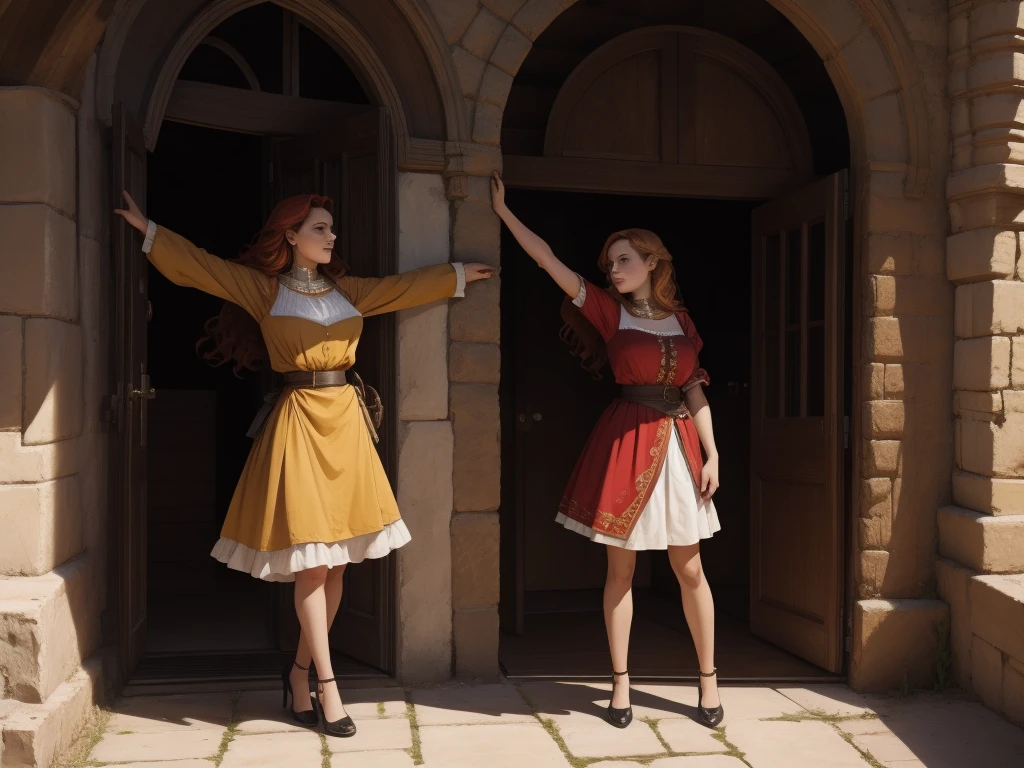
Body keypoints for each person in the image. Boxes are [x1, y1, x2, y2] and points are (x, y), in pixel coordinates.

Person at [115, 191, 493, 737]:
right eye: (321, 228)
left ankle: (298, 674)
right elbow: (202, 268)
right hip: (298, 426)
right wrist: (149, 228)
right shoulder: (263, 289)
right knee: (313, 564)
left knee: (336, 564)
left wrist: (457, 274)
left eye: (332, 228)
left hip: (347, 426)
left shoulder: (348, 291)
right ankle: (328, 687)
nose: (332, 237)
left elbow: (400, 289)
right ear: (291, 236)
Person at [490, 173, 724, 728]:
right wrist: (504, 213)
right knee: (621, 571)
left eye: (623, 261)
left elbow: (694, 390)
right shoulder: (605, 309)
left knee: (690, 569)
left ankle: (709, 683)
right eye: (610, 263)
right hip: (629, 441)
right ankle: (620, 684)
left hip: (681, 447)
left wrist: (713, 454)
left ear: (651, 263)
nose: (613, 270)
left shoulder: (683, 320)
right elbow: (547, 261)